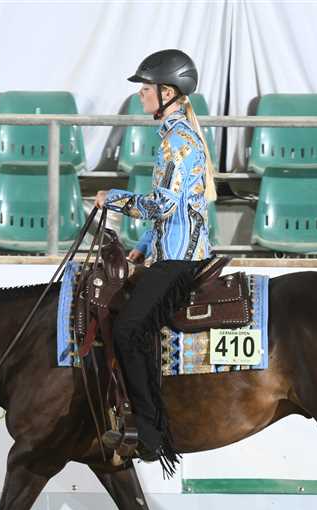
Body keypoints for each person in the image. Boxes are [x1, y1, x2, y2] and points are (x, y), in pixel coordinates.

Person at [94, 48, 218, 471]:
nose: (141, 95)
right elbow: (180, 207)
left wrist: (113, 198)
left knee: (128, 330)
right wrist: (145, 245)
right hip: (171, 253)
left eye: (146, 89)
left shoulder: (176, 142)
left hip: (179, 261)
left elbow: (163, 205)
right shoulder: (178, 136)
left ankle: (149, 432)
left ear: (167, 92)